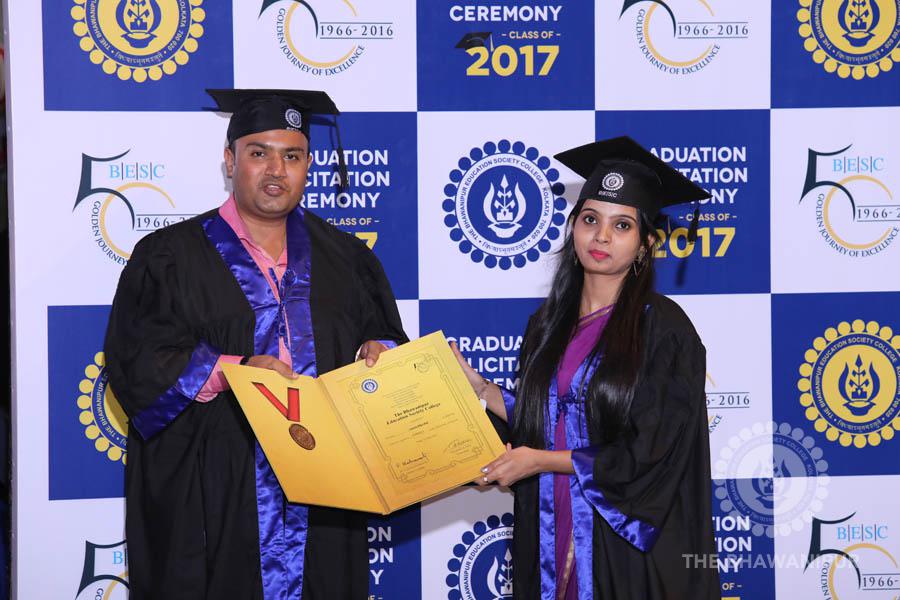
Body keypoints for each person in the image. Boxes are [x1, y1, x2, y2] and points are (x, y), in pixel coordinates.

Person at [104, 89, 407, 600]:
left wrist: (378, 351)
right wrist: (235, 370)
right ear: (230, 160)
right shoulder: (168, 256)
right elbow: (136, 360)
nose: (275, 171)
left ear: (308, 165)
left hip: (325, 494)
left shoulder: (349, 258)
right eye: (258, 153)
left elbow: (383, 333)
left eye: (292, 156)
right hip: (213, 491)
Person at [452, 136, 720, 599]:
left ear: (644, 244)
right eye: (590, 219)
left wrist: (541, 461)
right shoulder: (546, 324)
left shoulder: (663, 329)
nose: (601, 236)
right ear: (573, 226)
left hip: (622, 543)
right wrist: (479, 389)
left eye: (622, 225)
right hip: (551, 522)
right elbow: (550, 419)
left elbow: (651, 452)